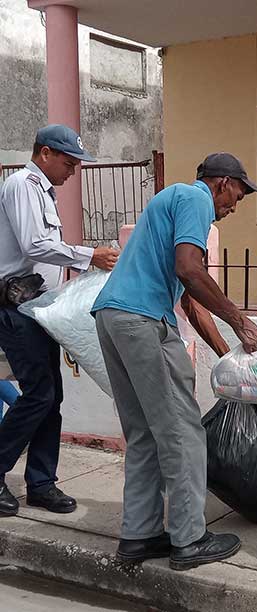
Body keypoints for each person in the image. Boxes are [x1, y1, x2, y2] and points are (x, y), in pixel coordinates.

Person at [91, 153, 257, 570]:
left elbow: (190, 299)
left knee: (144, 434)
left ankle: (140, 535)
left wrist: (229, 352)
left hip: (113, 318)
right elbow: (190, 271)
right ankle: (189, 540)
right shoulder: (195, 198)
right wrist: (241, 321)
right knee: (183, 431)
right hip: (143, 321)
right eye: (237, 195)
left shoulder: (169, 203)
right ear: (222, 183)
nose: (234, 206)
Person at [0, 125, 119, 518]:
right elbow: (36, 245)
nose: (72, 172)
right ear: (45, 153)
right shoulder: (23, 185)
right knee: (39, 394)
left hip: (40, 307)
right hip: (16, 305)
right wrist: (90, 256)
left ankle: (41, 484)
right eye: (69, 163)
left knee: (52, 397)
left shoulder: (43, 192)